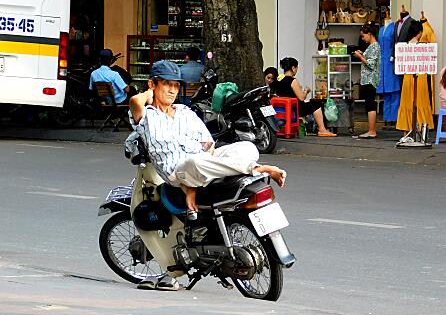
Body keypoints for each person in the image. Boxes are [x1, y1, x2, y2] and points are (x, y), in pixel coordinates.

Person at [129, 60, 286, 213]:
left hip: (202, 164)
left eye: (176, 85)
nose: (172, 90)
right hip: (178, 171)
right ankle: (258, 169)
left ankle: (195, 184)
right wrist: (149, 94)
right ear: (152, 84)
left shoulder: (184, 111)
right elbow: (135, 100)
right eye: (166, 84)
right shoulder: (147, 116)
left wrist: (208, 158)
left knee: (247, 147)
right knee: (195, 162)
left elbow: (207, 144)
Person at [275, 57, 336, 137]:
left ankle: (320, 129)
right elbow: (301, 98)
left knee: (311, 104)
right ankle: (322, 129)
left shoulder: (279, 81)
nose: (296, 71)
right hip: (296, 108)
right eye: (296, 68)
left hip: (284, 109)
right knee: (316, 104)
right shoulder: (293, 81)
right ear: (293, 68)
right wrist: (306, 91)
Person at [395, 21, 434, 140]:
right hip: (421, 76)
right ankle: (422, 132)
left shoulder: (404, 46)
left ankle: (405, 133)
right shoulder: (423, 47)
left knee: (406, 103)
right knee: (421, 102)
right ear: (419, 32)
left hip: (407, 76)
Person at [353, 21, 381, 139]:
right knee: (369, 104)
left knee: (370, 104)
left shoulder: (375, 46)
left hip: (370, 79)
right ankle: (371, 130)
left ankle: (372, 130)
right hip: (368, 80)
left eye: (363, 36)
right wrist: (362, 54)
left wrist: (360, 57)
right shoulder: (372, 47)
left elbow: (370, 64)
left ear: (370, 34)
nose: (363, 39)